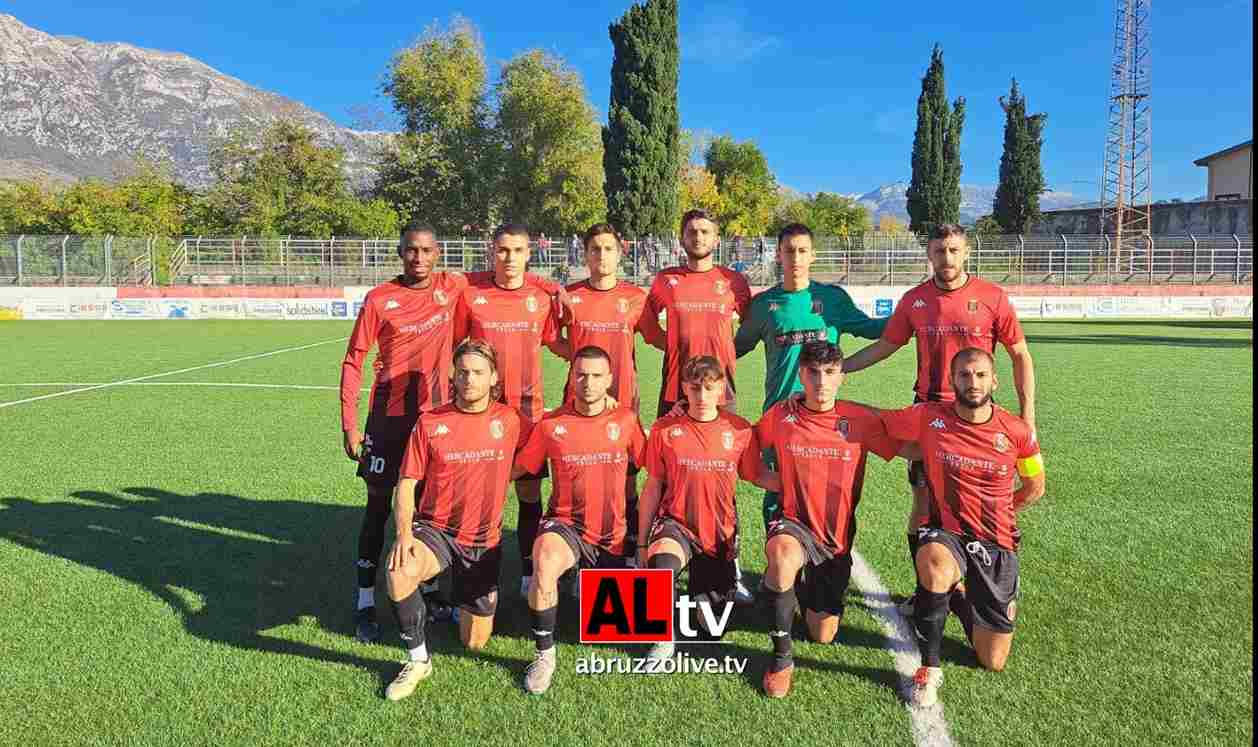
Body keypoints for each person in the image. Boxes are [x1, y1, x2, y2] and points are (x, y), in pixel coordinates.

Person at [843, 223, 1037, 615]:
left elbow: (1020, 354)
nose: (946, 258)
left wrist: (1027, 413)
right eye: (938, 251)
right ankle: (927, 591)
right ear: (929, 254)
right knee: (922, 503)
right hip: (927, 414)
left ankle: (982, 584)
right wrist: (842, 368)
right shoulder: (915, 300)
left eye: (953, 250)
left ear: (966, 252)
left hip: (977, 417)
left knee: (977, 504)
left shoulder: (992, 297)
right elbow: (886, 345)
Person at [879, 348, 1045, 707]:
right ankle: (929, 668)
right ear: (952, 381)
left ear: (994, 381)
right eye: (965, 375)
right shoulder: (929, 417)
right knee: (934, 564)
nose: (973, 382)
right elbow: (879, 422)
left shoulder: (1017, 432)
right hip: (946, 532)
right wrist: (827, 403)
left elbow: (1035, 487)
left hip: (996, 542)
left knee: (993, 660)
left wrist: (1003, 508)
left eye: (981, 375)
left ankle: (955, 596)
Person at [755, 340, 914, 698]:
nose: (820, 381)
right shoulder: (783, 416)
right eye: (813, 372)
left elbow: (905, 447)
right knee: (781, 555)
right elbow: (745, 444)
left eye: (829, 373)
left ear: (842, 376)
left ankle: (789, 590)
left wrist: (951, 442)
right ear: (801, 375)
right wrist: (768, 480)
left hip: (836, 538)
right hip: (794, 524)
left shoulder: (859, 419)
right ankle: (781, 660)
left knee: (822, 634)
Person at [339, 223, 467, 643]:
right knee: (378, 508)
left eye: (427, 251)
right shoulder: (380, 299)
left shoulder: (452, 287)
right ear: (400, 252)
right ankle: (363, 602)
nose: (419, 258)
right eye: (411, 250)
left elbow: (503, 277)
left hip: (435, 422)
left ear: (438, 254)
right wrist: (350, 424)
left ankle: (429, 592)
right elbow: (354, 360)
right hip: (388, 422)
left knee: (429, 509)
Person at [382, 339, 528, 701]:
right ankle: (418, 660)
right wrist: (403, 535)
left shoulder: (510, 421)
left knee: (474, 642)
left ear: (493, 377)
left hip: (483, 541)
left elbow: (542, 453)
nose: (469, 379)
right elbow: (406, 483)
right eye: (463, 372)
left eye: (478, 372)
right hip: (436, 530)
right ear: (453, 375)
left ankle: (458, 600)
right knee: (399, 572)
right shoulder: (431, 422)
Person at [511, 346, 648, 694]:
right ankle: (544, 655)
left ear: (610, 380)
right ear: (572, 377)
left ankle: (587, 581)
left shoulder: (627, 421)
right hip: (565, 526)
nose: (588, 382)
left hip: (612, 537)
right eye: (581, 374)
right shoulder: (551, 425)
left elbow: (654, 464)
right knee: (544, 559)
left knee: (619, 632)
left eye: (596, 376)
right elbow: (521, 467)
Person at [734, 222, 886, 530]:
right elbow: (735, 349)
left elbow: (871, 329)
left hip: (821, 415)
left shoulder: (831, 299)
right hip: (780, 413)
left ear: (813, 255)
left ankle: (820, 569)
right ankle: (781, 570)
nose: (796, 258)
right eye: (789, 251)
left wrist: (912, 316)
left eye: (803, 251)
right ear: (779, 255)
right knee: (779, 493)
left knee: (823, 493)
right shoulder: (764, 304)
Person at [452, 223, 569, 598]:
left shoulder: (541, 297)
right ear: (492, 251)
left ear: (529, 253)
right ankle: (475, 576)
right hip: (482, 415)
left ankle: (527, 574)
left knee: (529, 494)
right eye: (503, 250)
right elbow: (453, 348)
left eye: (517, 251)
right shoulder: (472, 295)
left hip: (529, 415)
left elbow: (554, 342)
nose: (510, 258)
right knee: (479, 496)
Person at [637, 356, 781, 661]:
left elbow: (756, 475)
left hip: (718, 533)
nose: (701, 397)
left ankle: (697, 595)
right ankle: (663, 637)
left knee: (713, 628)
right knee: (661, 566)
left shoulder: (740, 430)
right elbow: (652, 487)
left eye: (709, 388)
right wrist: (641, 542)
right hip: (675, 524)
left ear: (721, 392)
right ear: (685, 390)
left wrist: (801, 486)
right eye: (695, 388)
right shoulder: (665, 429)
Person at [644, 208, 754, 604]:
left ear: (716, 237)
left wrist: (726, 354)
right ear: (682, 237)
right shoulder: (665, 281)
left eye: (705, 230)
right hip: (675, 390)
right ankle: (659, 554)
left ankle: (730, 564)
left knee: (722, 482)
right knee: (669, 479)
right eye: (691, 230)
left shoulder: (733, 281)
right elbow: (647, 325)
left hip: (721, 395)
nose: (698, 236)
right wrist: (670, 347)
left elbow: (752, 326)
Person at [555, 223, 665, 560]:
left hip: (623, 404)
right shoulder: (569, 296)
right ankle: (577, 552)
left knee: (627, 482)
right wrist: (576, 355)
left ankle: (630, 552)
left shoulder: (635, 297)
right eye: (595, 249)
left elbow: (656, 338)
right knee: (576, 480)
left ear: (620, 253)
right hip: (580, 403)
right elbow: (550, 338)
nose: (601, 255)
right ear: (585, 254)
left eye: (608, 249)